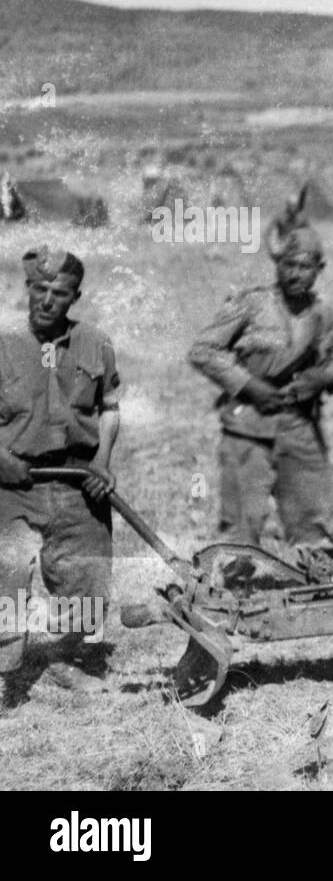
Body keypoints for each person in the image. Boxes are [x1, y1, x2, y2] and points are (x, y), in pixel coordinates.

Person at [0, 247, 121, 701]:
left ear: (75, 297)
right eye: (41, 289)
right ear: (28, 288)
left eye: (60, 293)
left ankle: (68, 660)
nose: (48, 300)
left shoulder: (95, 342)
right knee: (5, 577)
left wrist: (102, 461)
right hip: (12, 484)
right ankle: (4, 675)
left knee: (87, 577)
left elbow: (110, 409)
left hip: (76, 481)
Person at [188, 226, 333, 557]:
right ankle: (235, 591)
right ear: (277, 265)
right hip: (248, 425)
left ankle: (315, 588)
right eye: (288, 265)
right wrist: (248, 385)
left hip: (300, 426)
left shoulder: (326, 314)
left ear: (319, 270)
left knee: (312, 520)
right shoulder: (251, 303)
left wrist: (322, 378)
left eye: (305, 267)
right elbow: (203, 350)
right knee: (241, 522)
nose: (295, 274)